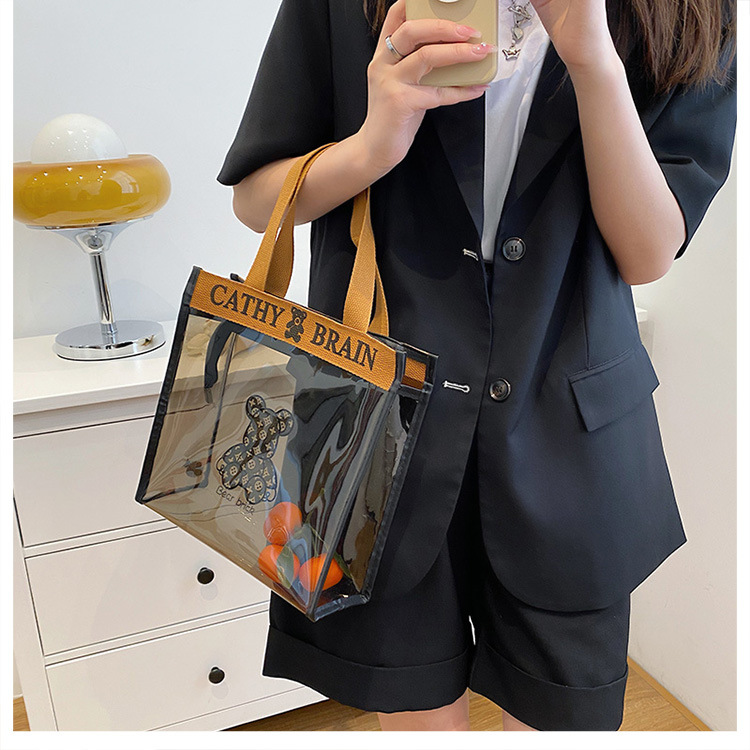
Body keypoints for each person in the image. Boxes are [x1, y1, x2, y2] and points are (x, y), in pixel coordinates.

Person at [216, 0, 737, 732]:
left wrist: (594, 62)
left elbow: (648, 253)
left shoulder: (684, 10)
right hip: (376, 431)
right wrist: (373, 144)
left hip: (568, 440)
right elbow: (255, 198)